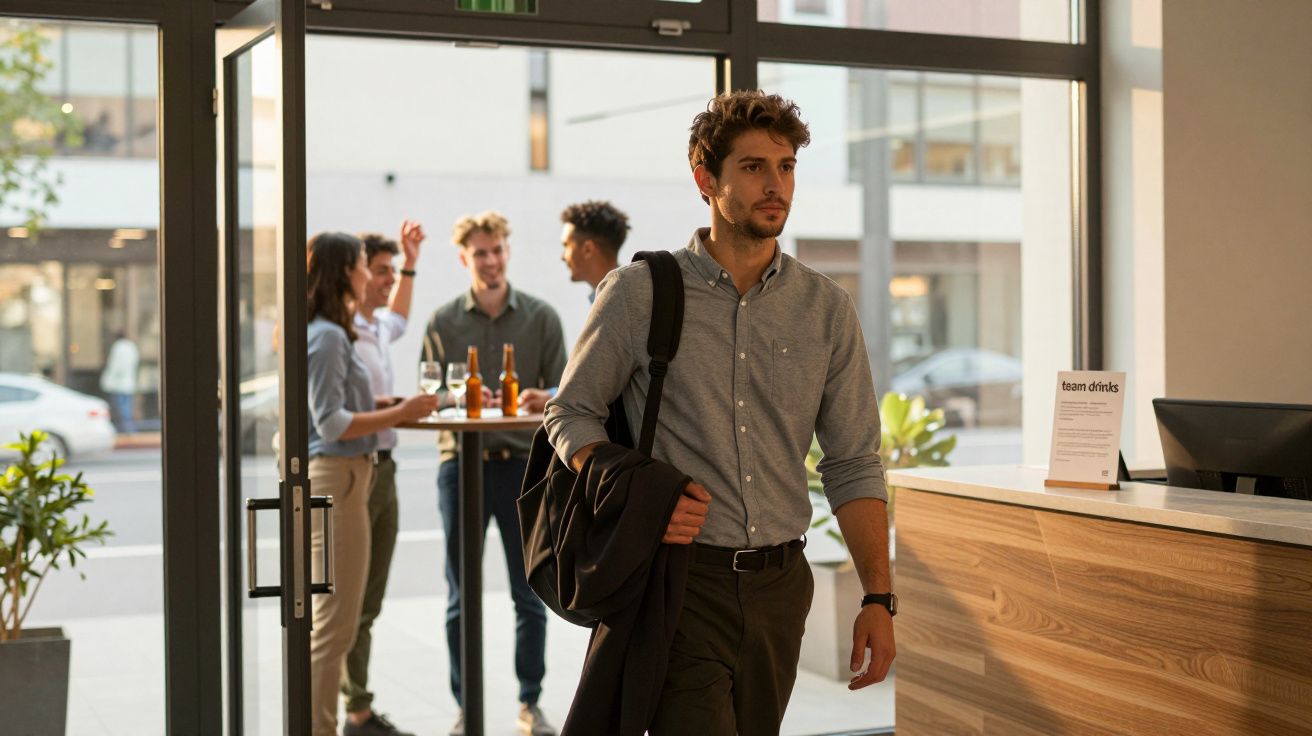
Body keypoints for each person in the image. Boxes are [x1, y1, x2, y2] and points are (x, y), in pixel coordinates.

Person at [543, 91, 896, 736]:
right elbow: (569, 413)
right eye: (754, 167)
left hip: (782, 590)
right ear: (706, 178)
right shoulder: (638, 292)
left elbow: (852, 462)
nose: (776, 186)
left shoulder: (826, 309)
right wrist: (636, 489)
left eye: (786, 167)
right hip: (680, 582)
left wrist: (878, 597)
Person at [422, 211, 567, 736]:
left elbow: (568, 392)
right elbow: (429, 395)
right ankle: (468, 710)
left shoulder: (542, 317)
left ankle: (530, 703)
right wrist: (454, 397)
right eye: (480, 253)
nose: (490, 260)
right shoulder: (442, 322)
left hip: (522, 471)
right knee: (460, 596)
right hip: (459, 468)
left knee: (529, 593)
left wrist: (543, 396)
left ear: (508, 251)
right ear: (465, 259)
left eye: (497, 250)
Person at [306, 232, 438, 736]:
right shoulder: (330, 334)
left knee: (339, 622)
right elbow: (331, 423)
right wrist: (401, 411)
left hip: (353, 475)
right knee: (335, 628)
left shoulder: (335, 331)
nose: (371, 275)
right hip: (341, 477)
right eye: (366, 265)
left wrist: (392, 409)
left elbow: (341, 406)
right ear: (346, 272)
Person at [340, 221, 426, 736]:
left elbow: (399, 315)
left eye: (392, 272)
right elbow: (338, 411)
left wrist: (411, 261)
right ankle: (355, 709)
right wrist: (400, 409)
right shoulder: (341, 329)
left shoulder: (373, 327)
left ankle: (358, 707)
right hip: (357, 469)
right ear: (356, 274)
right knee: (351, 600)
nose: (388, 280)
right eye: (379, 271)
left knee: (369, 599)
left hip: (384, 469)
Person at [558, 200, 630, 300]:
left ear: (588, 249)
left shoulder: (622, 300)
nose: (562, 257)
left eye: (566, 245)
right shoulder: (627, 292)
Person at [100, 330, 139, 433]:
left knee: (121, 408)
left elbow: (115, 366)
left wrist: (107, 381)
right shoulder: (131, 347)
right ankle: (129, 429)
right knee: (126, 407)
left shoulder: (118, 348)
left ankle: (125, 429)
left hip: (118, 384)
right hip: (128, 384)